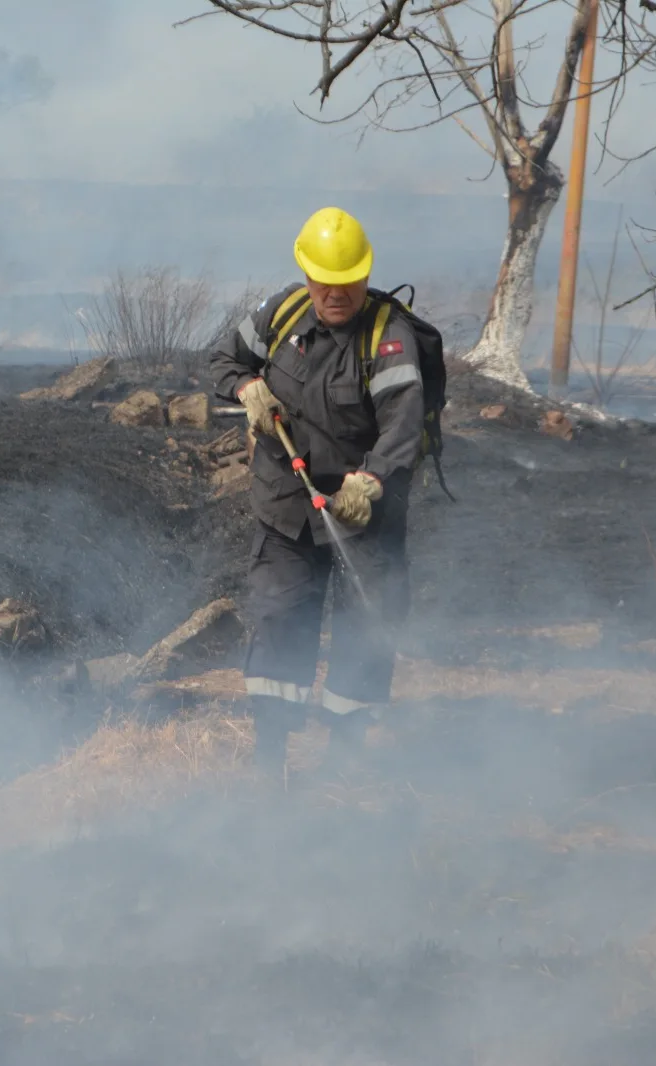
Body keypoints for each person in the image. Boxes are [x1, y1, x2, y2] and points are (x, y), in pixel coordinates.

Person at [211, 206, 425, 778]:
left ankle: (344, 763)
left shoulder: (388, 337)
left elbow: (404, 426)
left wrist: (371, 478)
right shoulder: (282, 313)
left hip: (365, 511)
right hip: (287, 504)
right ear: (307, 276)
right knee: (281, 619)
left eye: (348, 282)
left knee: (366, 631)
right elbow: (223, 358)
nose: (336, 294)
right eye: (325, 283)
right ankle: (271, 760)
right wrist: (247, 384)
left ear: (364, 275)